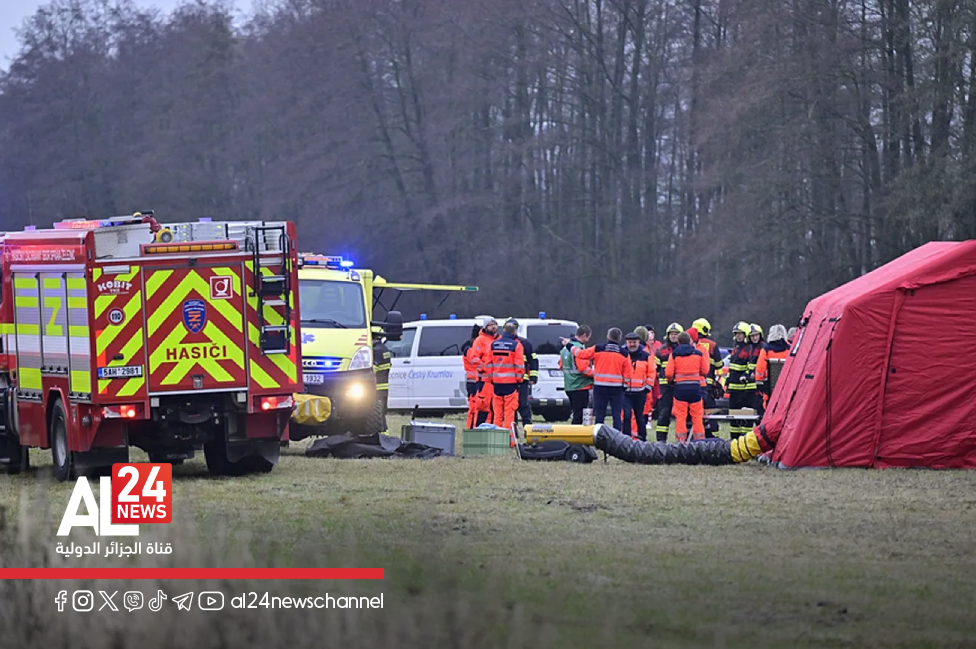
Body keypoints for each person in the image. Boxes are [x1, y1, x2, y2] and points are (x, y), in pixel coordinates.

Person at [574, 328, 632, 430]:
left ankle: (598, 438)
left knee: (600, 415)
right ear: (619, 339)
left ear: (608, 337)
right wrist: (625, 387)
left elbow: (581, 354)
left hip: (600, 387)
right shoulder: (624, 353)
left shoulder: (598, 348)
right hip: (617, 388)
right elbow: (628, 374)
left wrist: (569, 345)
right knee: (616, 415)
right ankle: (617, 440)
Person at [665, 331, 709, 442]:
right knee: (697, 417)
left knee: (681, 417)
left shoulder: (674, 354)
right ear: (690, 341)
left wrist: (671, 380)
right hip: (695, 389)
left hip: (680, 389)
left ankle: (681, 442)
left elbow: (668, 373)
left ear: (679, 342)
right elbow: (705, 370)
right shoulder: (698, 353)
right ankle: (699, 442)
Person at [487, 321, 525, 428]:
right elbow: (519, 366)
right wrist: (519, 380)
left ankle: (497, 439)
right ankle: (509, 439)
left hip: (497, 383)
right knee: (509, 413)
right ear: (514, 332)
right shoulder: (516, 345)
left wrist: (491, 378)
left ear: (503, 331)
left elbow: (488, 364)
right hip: (511, 384)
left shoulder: (493, 344)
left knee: (497, 414)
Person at [690, 318, 723, 438]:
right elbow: (719, 364)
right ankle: (711, 434)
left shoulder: (690, 344)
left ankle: (695, 434)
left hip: (693, 384)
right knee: (710, 411)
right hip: (707, 385)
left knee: (695, 411)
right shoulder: (712, 345)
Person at [504, 318, 537, 428]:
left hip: (522, 380)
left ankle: (528, 429)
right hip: (508, 380)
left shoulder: (524, 343)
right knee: (510, 407)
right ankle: (514, 430)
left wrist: (533, 376)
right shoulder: (501, 343)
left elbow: (533, 360)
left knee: (523, 405)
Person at [653, 323, 682, 442]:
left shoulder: (683, 349)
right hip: (666, 388)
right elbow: (655, 368)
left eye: (676, 334)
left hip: (680, 386)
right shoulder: (661, 351)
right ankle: (661, 440)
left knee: (682, 415)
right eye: (672, 334)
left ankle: (682, 441)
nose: (673, 336)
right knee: (664, 413)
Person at [559, 324, 594, 424]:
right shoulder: (578, 349)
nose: (588, 340)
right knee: (579, 416)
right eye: (588, 337)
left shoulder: (564, 349)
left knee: (576, 412)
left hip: (569, 386)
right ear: (584, 335)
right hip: (580, 386)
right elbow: (583, 369)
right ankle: (575, 438)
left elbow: (561, 365)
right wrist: (597, 374)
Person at [727, 322, 755, 440]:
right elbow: (732, 367)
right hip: (734, 389)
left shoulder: (749, 349)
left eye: (740, 334)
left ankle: (744, 440)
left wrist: (744, 377)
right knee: (734, 417)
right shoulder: (736, 348)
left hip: (743, 390)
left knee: (745, 417)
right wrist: (728, 380)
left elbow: (749, 368)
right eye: (736, 334)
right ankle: (734, 439)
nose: (738, 336)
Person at [622, 332, 652, 441]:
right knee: (626, 416)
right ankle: (625, 440)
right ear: (626, 343)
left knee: (640, 418)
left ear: (639, 342)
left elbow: (651, 373)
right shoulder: (622, 354)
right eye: (630, 342)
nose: (632, 344)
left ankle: (643, 440)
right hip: (625, 393)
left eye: (634, 342)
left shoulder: (646, 356)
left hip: (640, 392)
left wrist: (648, 387)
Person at [756, 323, 790, 411]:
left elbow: (760, 369)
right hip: (787, 385)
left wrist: (760, 385)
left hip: (769, 388)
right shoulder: (790, 349)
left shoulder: (766, 349)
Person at [471, 319, 499, 424]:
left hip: (497, 380)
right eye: (490, 325)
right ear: (485, 327)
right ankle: (479, 429)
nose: (493, 327)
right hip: (484, 380)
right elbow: (474, 359)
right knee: (483, 406)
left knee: (495, 408)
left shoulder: (499, 340)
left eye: (495, 324)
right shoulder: (480, 340)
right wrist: (485, 369)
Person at [461, 324, 483, 429]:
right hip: (473, 382)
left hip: (475, 382)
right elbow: (476, 362)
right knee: (474, 409)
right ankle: (471, 429)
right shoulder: (470, 350)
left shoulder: (470, 348)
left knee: (476, 408)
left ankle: (474, 428)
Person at [372, 327, 392, 433]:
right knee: (382, 413)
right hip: (384, 387)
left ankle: (382, 436)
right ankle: (385, 435)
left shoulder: (375, 351)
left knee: (376, 415)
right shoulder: (384, 349)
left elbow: (372, 370)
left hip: (376, 388)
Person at [748, 323, 765, 415]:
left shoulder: (762, 347)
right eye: (752, 336)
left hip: (761, 380)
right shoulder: (751, 348)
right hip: (752, 382)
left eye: (756, 335)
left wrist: (754, 372)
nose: (754, 338)